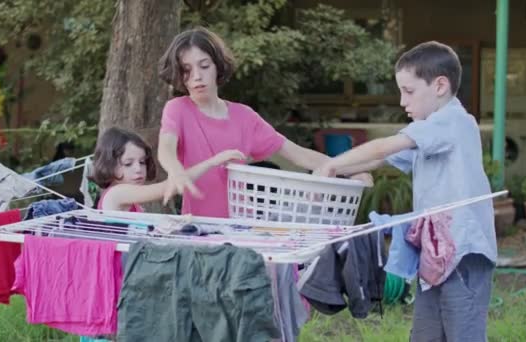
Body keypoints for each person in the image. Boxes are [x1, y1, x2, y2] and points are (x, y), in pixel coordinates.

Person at [315, 41, 496, 341]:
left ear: (440, 86)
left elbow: (386, 145)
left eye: (409, 91)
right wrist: (341, 172)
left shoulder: (452, 122)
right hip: (435, 254)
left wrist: (333, 165)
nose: (402, 101)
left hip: (463, 255)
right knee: (424, 334)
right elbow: (378, 158)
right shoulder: (431, 131)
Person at [157, 26, 370, 218]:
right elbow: (166, 148)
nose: (196, 76)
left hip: (244, 226)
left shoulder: (244, 116)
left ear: (218, 66)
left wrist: (349, 168)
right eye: (186, 70)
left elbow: (298, 154)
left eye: (204, 66)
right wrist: (175, 171)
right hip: (199, 228)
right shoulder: (178, 108)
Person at [91, 126, 244, 211]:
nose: (138, 169)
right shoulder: (117, 193)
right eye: (128, 164)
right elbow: (168, 187)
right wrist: (212, 162)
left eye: (142, 162)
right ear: (109, 164)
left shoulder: (133, 200)